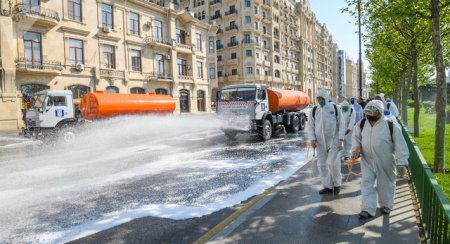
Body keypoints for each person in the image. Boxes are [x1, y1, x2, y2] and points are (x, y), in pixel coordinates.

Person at [351, 100, 409, 219]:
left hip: (385, 159)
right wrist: (355, 150)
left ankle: (386, 204)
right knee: (367, 184)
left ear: (380, 113)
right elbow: (355, 138)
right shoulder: (362, 123)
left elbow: (400, 144)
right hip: (367, 160)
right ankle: (367, 208)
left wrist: (402, 163)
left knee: (386, 183)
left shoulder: (390, 125)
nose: (370, 115)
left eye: (374, 112)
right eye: (368, 112)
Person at [306, 89, 345, 195]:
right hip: (320, 142)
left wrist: (341, 139)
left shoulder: (335, 108)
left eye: (322, 98)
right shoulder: (314, 110)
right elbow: (310, 125)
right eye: (318, 98)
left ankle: (337, 184)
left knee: (333, 163)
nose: (320, 100)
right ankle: (327, 186)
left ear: (327, 98)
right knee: (322, 165)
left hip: (334, 140)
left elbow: (341, 124)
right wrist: (312, 139)